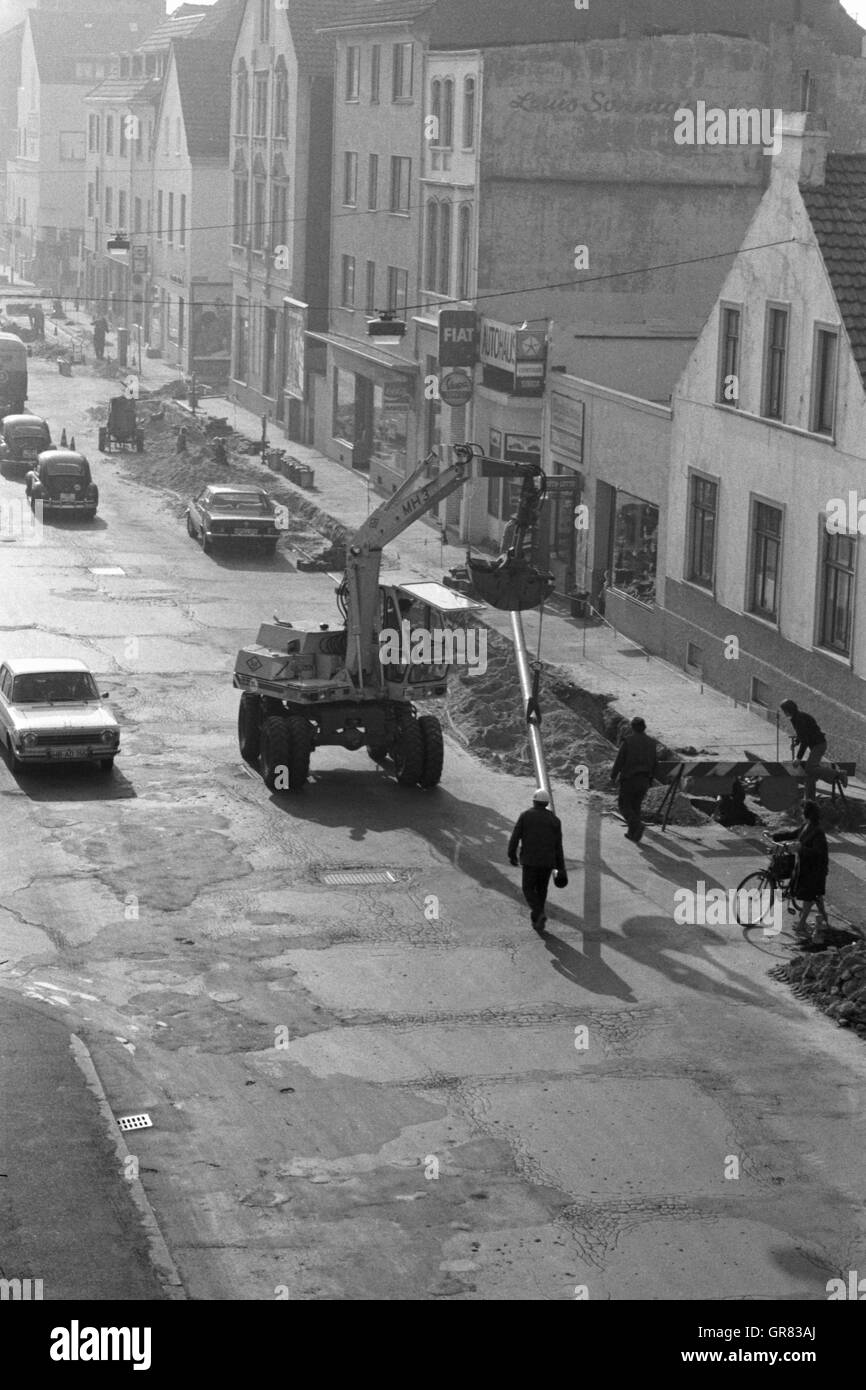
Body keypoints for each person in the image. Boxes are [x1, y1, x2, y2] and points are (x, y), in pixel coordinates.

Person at [508, 788, 567, 935]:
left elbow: (515, 836)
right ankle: (537, 921)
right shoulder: (555, 820)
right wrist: (561, 868)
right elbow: (558, 846)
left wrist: (512, 854)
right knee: (541, 890)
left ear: (534, 801)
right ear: (547, 803)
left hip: (530, 861)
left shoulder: (526, 816)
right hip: (547, 863)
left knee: (528, 889)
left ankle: (538, 913)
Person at [773, 801, 830, 945]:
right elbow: (794, 834)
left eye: (802, 811)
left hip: (815, 869)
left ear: (807, 814)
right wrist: (775, 836)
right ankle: (824, 921)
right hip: (806, 867)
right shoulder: (806, 826)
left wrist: (800, 848)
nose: (800, 813)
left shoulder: (817, 832)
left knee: (809, 897)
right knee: (816, 896)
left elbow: (819, 853)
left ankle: (801, 925)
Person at [610, 715, 658, 842]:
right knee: (636, 807)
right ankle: (633, 834)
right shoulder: (652, 743)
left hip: (630, 779)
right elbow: (655, 763)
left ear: (632, 728)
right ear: (644, 728)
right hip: (644, 780)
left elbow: (620, 761)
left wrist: (613, 776)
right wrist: (651, 779)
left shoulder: (628, 741)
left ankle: (637, 826)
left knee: (624, 805)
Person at [779, 700, 829, 802]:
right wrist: (796, 742)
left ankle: (838, 774)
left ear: (788, 710)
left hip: (819, 745)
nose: (784, 713)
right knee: (810, 774)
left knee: (810, 768)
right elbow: (802, 734)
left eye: (784, 711)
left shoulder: (799, 719)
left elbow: (805, 740)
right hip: (816, 745)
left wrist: (798, 758)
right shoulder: (797, 717)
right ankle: (810, 800)